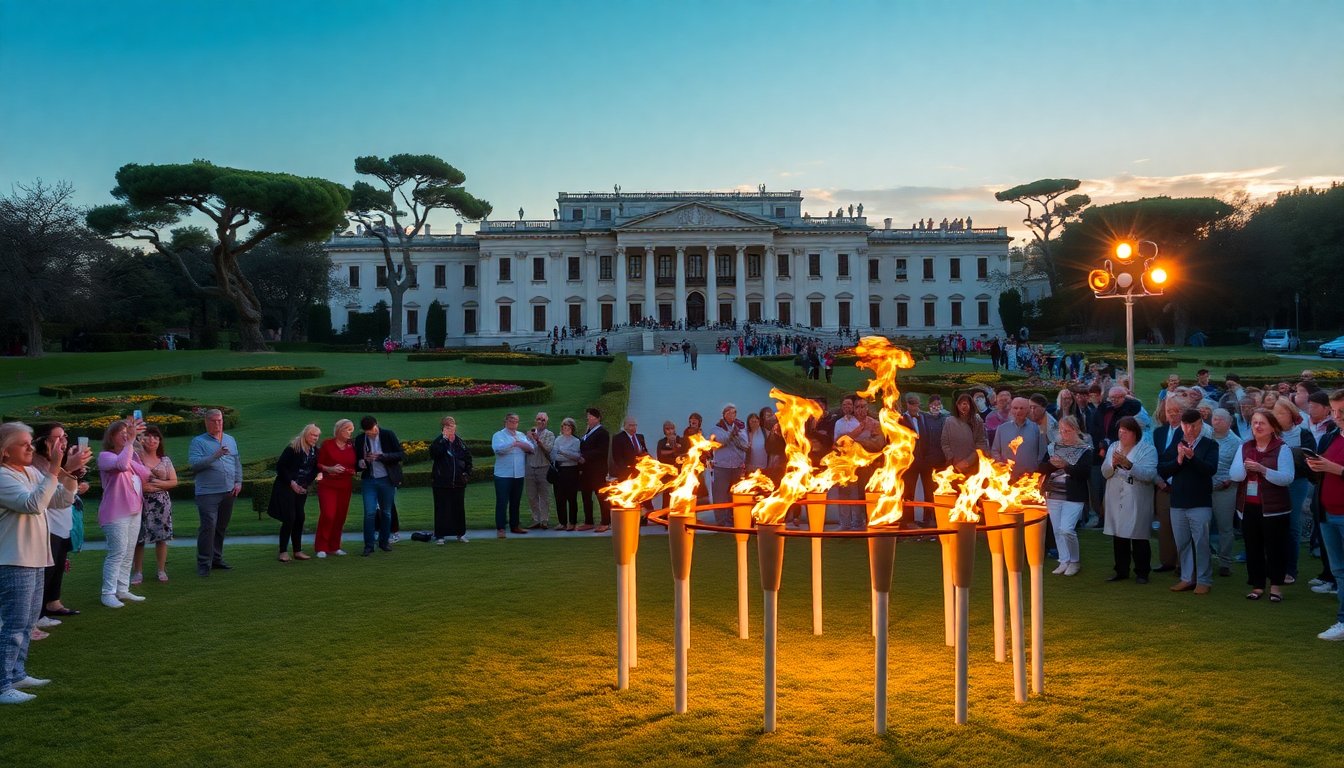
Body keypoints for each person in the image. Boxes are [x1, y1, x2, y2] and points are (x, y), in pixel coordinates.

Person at [0, 422, 84, 704]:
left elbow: (60, 500)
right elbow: (33, 504)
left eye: (29, 442)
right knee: (13, 624)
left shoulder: (31, 471)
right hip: (14, 559)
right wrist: (55, 468)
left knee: (26, 623)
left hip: (35, 557)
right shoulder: (2, 476)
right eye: (22, 443)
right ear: (4, 451)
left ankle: (17, 673)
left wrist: (69, 472)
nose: (30, 447)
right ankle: (2, 684)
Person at [1230, 409, 1295, 602]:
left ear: (1273, 427)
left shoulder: (1282, 448)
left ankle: (1275, 587)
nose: (1257, 427)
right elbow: (1235, 476)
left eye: (1262, 423)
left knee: (1275, 548)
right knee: (1253, 547)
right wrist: (1245, 465)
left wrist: (1262, 469)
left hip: (1275, 509)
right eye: (1254, 423)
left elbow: (1287, 478)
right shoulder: (1244, 447)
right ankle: (1257, 585)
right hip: (1248, 507)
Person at [1158, 409, 1219, 594]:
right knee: (1182, 543)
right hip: (1178, 501)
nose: (1190, 429)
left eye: (1194, 425)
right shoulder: (1177, 443)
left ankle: (1203, 580)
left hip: (1200, 501)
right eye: (1186, 425)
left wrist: (1192, 458)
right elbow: (1163, 469)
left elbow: (1210, 470)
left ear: (1201, 424)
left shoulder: (1210, 445)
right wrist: (1178, 460)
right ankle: (1186, 578)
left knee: (1201, 542)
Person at [32, 424, 87, 622]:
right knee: (45, 572)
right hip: (47, 526)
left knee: (57, 568)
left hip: (62, 522)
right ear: (42, 441)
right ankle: (37, 615)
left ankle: (52, 603)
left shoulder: (55, 463)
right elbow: (45, 496)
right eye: (58, 438)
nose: (63, 442)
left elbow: (64, 495)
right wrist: (68, 468)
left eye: (65, 437)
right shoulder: (35, 466)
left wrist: (73, 473)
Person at [1304, 389, 1344, 639]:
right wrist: (1314, 467)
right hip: (1327, 513)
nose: (1337, 416)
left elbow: (1336, 471)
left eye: (1342, 411)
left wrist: (1335, 469)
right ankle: (1342, 621)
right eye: (1335, 411)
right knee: (1338, 570)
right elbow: (1321, 476)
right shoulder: (1331, 437)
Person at [98, 419, 150, 607]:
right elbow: (120, 465)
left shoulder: (131, 457)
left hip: (134, 512)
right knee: (117, 552)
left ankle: (122, 589)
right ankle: (108, 593)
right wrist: (130, 443)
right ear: (111, 437)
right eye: (120, 432)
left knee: (128, 552)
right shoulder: (105, 456)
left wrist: (135, 450)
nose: (125, 434)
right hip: (115, 513)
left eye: (126, 431)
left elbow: (145, 474)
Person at [1101, 416, 1157, 583]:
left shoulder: (1147, 450)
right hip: (1115, 495)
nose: (1122, 435)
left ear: (1135, 434)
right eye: (1120, 431)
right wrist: (1112, 464)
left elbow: (1149, 475)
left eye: (1125, 432)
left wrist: (1129, 465)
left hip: (1137, 497)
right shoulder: (1113, 447)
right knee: (1118, 534)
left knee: (1138, 534)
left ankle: (1142, 572)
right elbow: (1104, 472)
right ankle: (1121, 570)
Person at [188, 409, 242, 577]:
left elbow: (237, 462)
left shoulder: (230, 439)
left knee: (220, 527)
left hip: (228, 491)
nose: (218, 423)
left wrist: (238, 481)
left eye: (220, 420)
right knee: (208, 527)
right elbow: (195, 465)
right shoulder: (198, 442)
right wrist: (215, 455)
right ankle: (204, 563)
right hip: (208, 493)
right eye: (214, 420)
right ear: (206, 422)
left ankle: (216, 559)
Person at [1041, 416, 1092, 575]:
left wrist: (1066, 466)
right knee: (1057, 529)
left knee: (1067, 529)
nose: (1064, 434)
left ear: (1076, 430)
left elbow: (1085, 473)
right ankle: (1064, 561)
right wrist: (1051, 465)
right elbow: (1040, 467)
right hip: (1053, 493)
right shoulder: (1053, 447)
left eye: (1068, 431)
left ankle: (1074, 561)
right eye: (1062, 431)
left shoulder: (1085, 449)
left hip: (1074, 495)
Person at [269, 424, 320, 563]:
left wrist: (305, 484)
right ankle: (283, 552)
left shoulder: (315, 450)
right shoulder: (293, 448)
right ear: (306, 434)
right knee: (289, 518)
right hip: (286, 486)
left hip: (301, 488)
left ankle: (298, 551)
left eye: (317, 436)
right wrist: (291, 483)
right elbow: (280, 467)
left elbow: (315, 469)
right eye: (313, 435)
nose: (315, 438)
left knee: (300, 517)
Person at [132, 426, 176, 584]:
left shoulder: (164, 460)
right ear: (142, 440)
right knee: (138, 538)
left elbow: (174, 481)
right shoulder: (135, 458)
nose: (152, 440)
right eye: (149, 437)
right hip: (140, 502)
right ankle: (137, 572)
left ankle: (161, 570)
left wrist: (157, 484)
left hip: (161, 503)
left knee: (161, 538)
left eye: (156, 437)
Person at [354, 415, 404, 556]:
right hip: (369, 480)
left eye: (373, 429)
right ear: (364, 431)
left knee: (386, 512)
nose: (372, 433)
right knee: (369, 513)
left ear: (377, 424)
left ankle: (384, 542)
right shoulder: (360, 440)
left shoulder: (388, 435)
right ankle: (369, 546)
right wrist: (361, 463)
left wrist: (382, 456)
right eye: (368, 432)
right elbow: (357, 461)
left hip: (386, 480)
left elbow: (400, 454)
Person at [314, 419, 356, 557]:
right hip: (328, 485)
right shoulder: (327, 444)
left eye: (352, 429)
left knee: (340, 517)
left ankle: (334, 546)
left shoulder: (352, 446)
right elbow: (318, 464)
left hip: (345, 485)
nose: (351, 432)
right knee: (328, 514)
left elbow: (355, 467)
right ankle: (321, 547)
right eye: (348, 429)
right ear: (339, 430)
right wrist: (330, 468)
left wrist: (350, 471)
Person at [1209, 409, 1242, 577]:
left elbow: (1239, 466)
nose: (1216, 422)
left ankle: (1225, 562)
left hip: (1225, 488)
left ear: (1229, 423)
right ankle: (1203, 558)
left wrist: (1231, 480)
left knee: (1225, 526)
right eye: (1215, 419)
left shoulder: (1237, 442)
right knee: (1202, 525)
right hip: (1204, 487)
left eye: (1221, 420)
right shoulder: (1206, 436)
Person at [429, 416, 473, 543]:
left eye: (452, 426)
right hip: (441, 482)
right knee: (441, 509)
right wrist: (444, 440)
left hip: (458, 482)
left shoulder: (460, 442)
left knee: (459, 509)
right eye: (448, 426)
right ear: (443, 428)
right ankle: (440, 535)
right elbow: (435, 454)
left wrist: (466, 473)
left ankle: (460, 534)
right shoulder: (438, 441)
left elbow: (468, 458)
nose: (451, 428)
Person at [492, 413, 533, 538]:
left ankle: (515, 526)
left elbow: (531, 448)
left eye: (516, 421)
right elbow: (498, 449)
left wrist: (518, 444)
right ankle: (501, 528)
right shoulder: (498, 435)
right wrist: (513, 444)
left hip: (518, 474)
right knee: (502, 502)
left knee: (515, 502)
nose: (514, 422)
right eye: (511, 420)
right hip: (503, 474)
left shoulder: (521, 435)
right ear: (506, 421)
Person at [708, 404, 748, 526]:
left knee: (734, 496)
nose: (732, 415)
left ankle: (733, 520)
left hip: (737, 467)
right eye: (729, 413)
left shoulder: (740, 428)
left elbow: (745, 444)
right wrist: (731, 436)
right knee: (720, 496)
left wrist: (736, 435)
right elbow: (717, 443)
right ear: (724, 414)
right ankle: (721, 522)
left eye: (734, 413)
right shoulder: (716, 429)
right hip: (721, 468)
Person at [610, 415, 653, 522]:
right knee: (631, 497)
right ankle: (631, 520)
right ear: (625, 426)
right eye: (630, 425)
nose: (633, 428)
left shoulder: (640, 437)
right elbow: (617, 458)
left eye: (635, 425)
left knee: (643, 497)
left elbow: (644, 452)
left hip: (642, 474)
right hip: (627, 474)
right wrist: (626, 472)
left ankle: (644, 518)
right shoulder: (618, 438)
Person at [991, 397, 1046, 480]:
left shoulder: (1037, 429)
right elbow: (995, 450)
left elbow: (1042, 452)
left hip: (1029, 478)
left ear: (1027, 410)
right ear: (1011, 409)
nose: (1018, 411)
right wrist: (1001, 465)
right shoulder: (1002, 429)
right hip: (1007, 477)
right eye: (1015, 408)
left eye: (1022, 408)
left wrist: (1035, 466)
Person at [579, 407, 612, 532]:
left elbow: (602, 451)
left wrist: (585, 456)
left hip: (597, 470)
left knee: (601, 496)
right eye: (588, 417)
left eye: (591, 417)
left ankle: (605, 522)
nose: (589, 419)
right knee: (586, 495)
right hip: (586, 470)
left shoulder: (602, 432)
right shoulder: (588, 432)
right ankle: (589, 521)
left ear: (598, 419)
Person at [941, 393, 989, 475]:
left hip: (972, 468)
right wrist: (952, 459)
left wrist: (967, 462)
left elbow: (981, 444)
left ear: (971, 405)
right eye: (961, 403)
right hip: (953, 467)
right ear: (957, 406)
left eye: (967, 403)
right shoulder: (949, 421)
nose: (964, 406)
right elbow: (944, 443)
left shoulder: (977, 421)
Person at [523, 412, 555, 530]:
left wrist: (538, 441)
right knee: (531, 495)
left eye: (543, 420)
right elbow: (524, 449)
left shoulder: (550, 434)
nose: (540, 421)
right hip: (530, 467)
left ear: (547, 421)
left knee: (545, 495)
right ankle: (536, 519)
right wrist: (527, 441)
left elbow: (548, 450)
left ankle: (544, 520)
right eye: (538, 419)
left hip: (544, 467)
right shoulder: (529, 433)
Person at [553, 418, 583, 530]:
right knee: (560, 498)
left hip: (571, 471)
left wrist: (563, 452)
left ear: (572, 428)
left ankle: (572, 522)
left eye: (568, 426)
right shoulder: (557, 440)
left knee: (571, 498)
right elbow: (555, 456)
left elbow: (577, 457)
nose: (566, 428)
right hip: (560, 471)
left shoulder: (576, 441)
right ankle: (562, 522)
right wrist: (568, 454)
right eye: (564, 426)